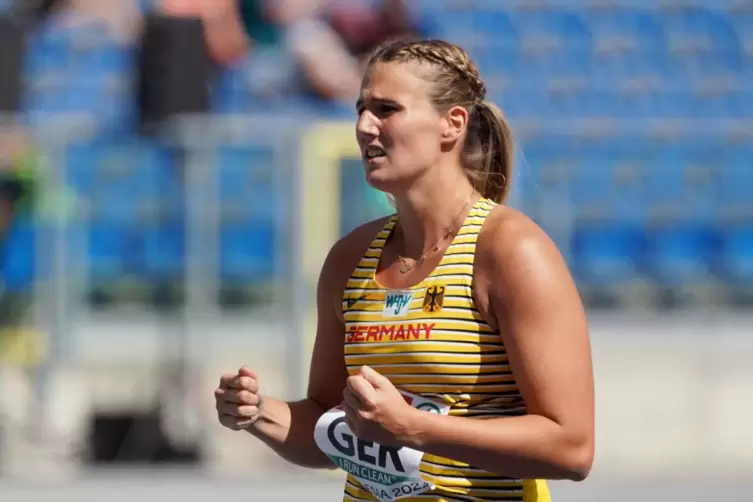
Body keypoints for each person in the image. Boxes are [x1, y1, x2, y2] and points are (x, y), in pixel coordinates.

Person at [214, 38, 595, 501]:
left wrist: (414, 429)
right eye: (360, 108)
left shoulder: (511, 250)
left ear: (451, 125)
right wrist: (258, 413)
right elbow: (331, 426)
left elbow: (572, 448)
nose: (362, 125)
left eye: (386, 109)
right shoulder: (350, 258)